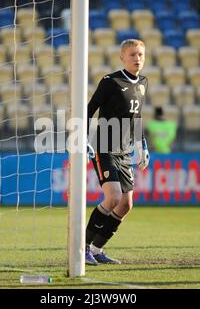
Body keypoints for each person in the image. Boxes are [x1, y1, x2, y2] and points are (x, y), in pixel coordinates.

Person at [85, 39, 150, 265]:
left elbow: (137, 117)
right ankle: (81, 248)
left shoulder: (143, 82)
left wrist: (142, 144)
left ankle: (95, 250)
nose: (137, 58)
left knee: (126, 204)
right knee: (112, 197)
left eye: (140, 54)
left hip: (125, 150)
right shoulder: (110, 81)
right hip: (104, 146)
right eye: (132, 54)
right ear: (122, 57)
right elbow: (89, 109)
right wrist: (84, 138)